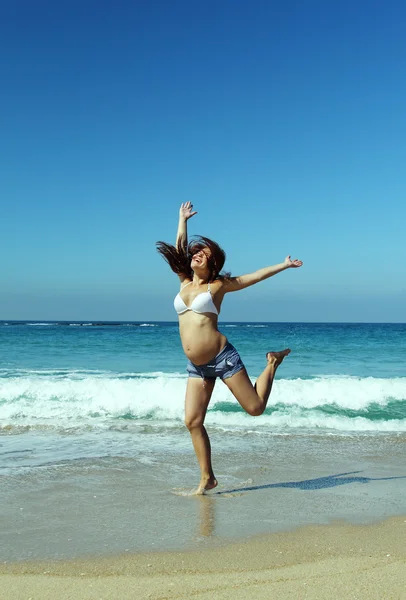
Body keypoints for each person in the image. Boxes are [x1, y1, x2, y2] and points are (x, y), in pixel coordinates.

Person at [156, 202, 303, 494]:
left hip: (222, 359)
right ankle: (207, 478)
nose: (197, 255)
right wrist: (182, 220)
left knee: (256, 408)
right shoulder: (184, 282)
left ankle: (272, 363)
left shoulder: (217, 286)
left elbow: (254, 276)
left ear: (213, 265)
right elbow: (179, 248)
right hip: (197, 366)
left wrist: (283, 265)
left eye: (205, 255)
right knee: (192, 421)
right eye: (197, 252)